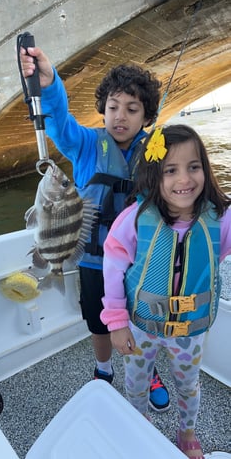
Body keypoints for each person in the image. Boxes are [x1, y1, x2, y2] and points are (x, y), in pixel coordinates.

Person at [20, 45, 170, 411]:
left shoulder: (155, 150)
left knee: (141, 320)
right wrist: (49, 83)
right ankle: (104, 369)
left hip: (139, 262)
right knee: (99, 322)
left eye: (132, 110)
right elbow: (59, 121)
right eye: (113, 107)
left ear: (146, 116)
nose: (120, 116)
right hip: (92, 262)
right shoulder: (85, 144)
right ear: (102, 109)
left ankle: (146, 369)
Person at [100, 124, 231, 459]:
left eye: (194, 167)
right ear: (154, 176)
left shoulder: (222, 219)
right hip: (139, 328)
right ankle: (138, 422)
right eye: (170, 170)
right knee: (136, 382)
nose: (184, 180)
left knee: (189, 385)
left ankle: (186, 431)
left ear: (206, 169)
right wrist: (115, 323)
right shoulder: (133, 219)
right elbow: (113, 269)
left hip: (189, 332)